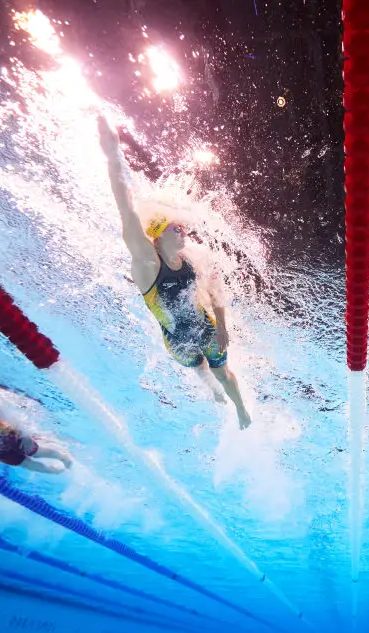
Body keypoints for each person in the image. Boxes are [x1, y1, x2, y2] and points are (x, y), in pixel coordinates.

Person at [98, 116, 251, 429]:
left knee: (224, 373)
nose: (183, 231)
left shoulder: (192, 257)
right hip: (177, 342)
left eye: (183, 227)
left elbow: (214, 288)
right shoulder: (147, 263)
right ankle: (213, 391)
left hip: (206, 329)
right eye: (176, 227)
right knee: (201, 371)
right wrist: (113, 154)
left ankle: (240, 410)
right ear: (158, 234)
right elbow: (125, 210)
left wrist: (222, 324)